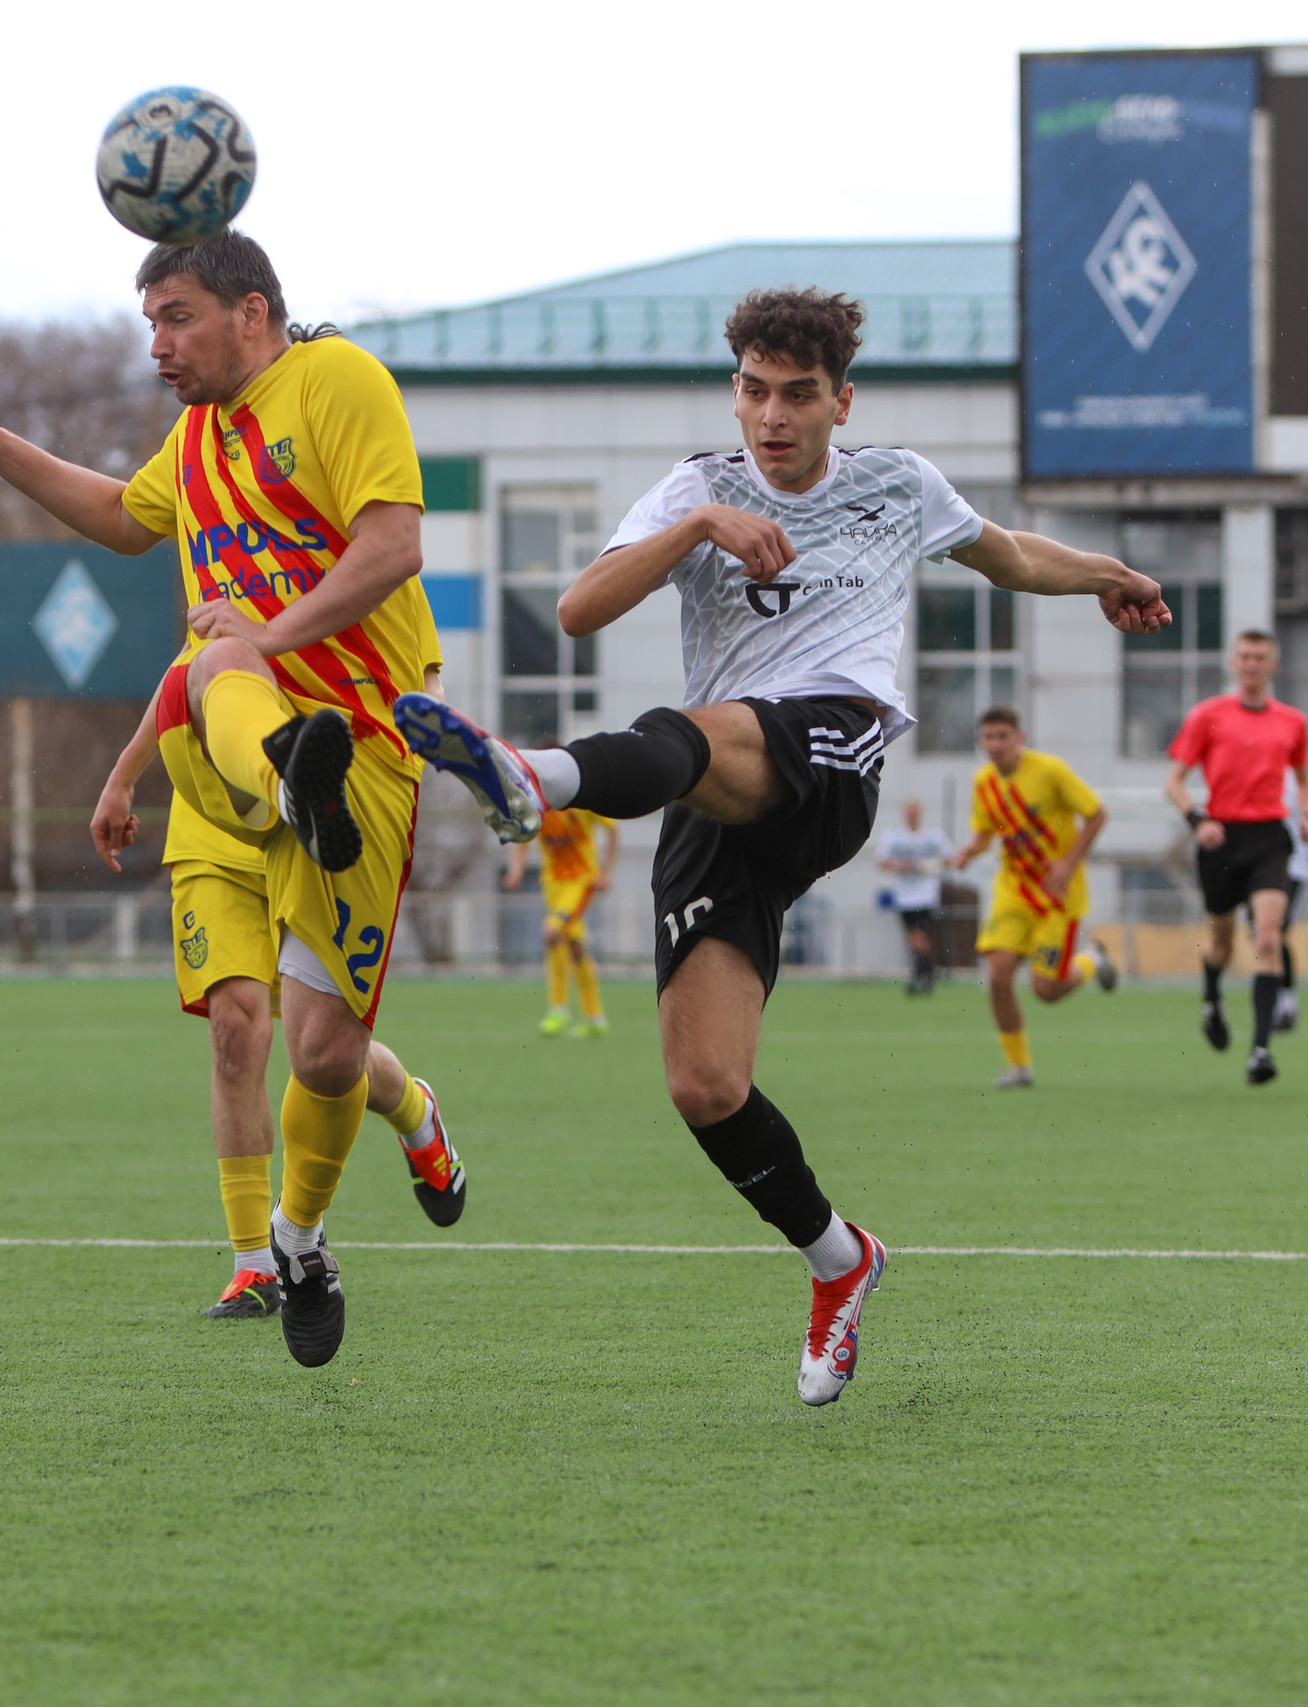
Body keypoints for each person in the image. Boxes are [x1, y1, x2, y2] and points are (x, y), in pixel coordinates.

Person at [389, 288, 1169, 1405]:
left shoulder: (895, 483)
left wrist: (1111, 575)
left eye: (798, 395)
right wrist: (698, 528)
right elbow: (577, 610)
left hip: (832, 751)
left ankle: (535, 777)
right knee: (705, 1086)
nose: (772, 416)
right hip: (715, 789)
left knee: (698, 737)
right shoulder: (696, 485)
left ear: (839, 401)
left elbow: (1006, 557)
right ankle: (839, 1259)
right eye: (754, 391)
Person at [0, 230, 434, 1369]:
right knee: (213, 671)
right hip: (235, 757)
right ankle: (283, 766)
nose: (158, 346)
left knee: (328, 1056)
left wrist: (272, 632)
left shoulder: (335, 380)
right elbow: (123, 521)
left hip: (368, 744)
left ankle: (300, 1240)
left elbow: (392, 547)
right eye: (149, 323)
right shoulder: (194, 437)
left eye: (175, 317)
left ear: (251, 312)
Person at [91, 655, 466, 1322]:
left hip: (313, 827)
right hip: (216, 829)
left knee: (322, 1048)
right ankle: (253, 1267)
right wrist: (123, 776)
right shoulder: (217, 553)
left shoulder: (356, 559)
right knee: (236, 1029)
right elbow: (183, 675)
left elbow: (417, 667)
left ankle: (413, 1108)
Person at [1164, 630, 1308, 1087]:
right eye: (1245, 657)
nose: (1252, 665)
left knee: (1268, 938)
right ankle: (1212, 999)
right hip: (1221, 838)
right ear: (1233, 663)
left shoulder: (1293, 722)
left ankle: (1261, 1049)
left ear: (1274, 665)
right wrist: (1197, 820)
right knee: (1222, 946)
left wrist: (1305, 816)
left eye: (1260, 658)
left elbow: (1305, 781)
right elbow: (1174, 782)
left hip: (1270, 836)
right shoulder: (1208, 715)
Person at [948, 705, 1116, 1088]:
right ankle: (1019, 1066)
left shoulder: (1050, 770)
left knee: (1047, 991)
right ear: (980, 742)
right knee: (998, 975)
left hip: (1059, 895)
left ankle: (1092, 959)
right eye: (988, 737)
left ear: (1019, 738)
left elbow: (1097, 814)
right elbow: (985, 833)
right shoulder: (983, 783)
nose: (995, 744)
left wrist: (1068, 863)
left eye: (1003, 736)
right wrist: (968, 852)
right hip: (1013, 893)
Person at [505, 806, 618, 1036]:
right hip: (553, 886)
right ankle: (595, 1018)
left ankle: (559, 1009)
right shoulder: (539, 807)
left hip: (582, 882)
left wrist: (606, 872)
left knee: (551, 934)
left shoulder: (583, 800)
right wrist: (516, 870)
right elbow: (522, 837)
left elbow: (613, 831)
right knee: (576, 948)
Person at [1268, 770, 1308, 1033]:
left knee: (1274, 933)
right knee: (1262, 935)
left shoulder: (1298, 775)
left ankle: (1285, 1001)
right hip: (1256, 866)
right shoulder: (1254, 766)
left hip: (1291, 869)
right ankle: (1276, 998)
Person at [875, 800, 954, 995]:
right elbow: (881, 861)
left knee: (919, 934)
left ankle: (922, 972)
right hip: (904, 896)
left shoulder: (932, 836)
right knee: (914, 937)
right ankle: (925, 971)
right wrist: (900, 867)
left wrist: (930, 865)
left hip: (926, 895)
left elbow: (950, 857)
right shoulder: (894, 836)